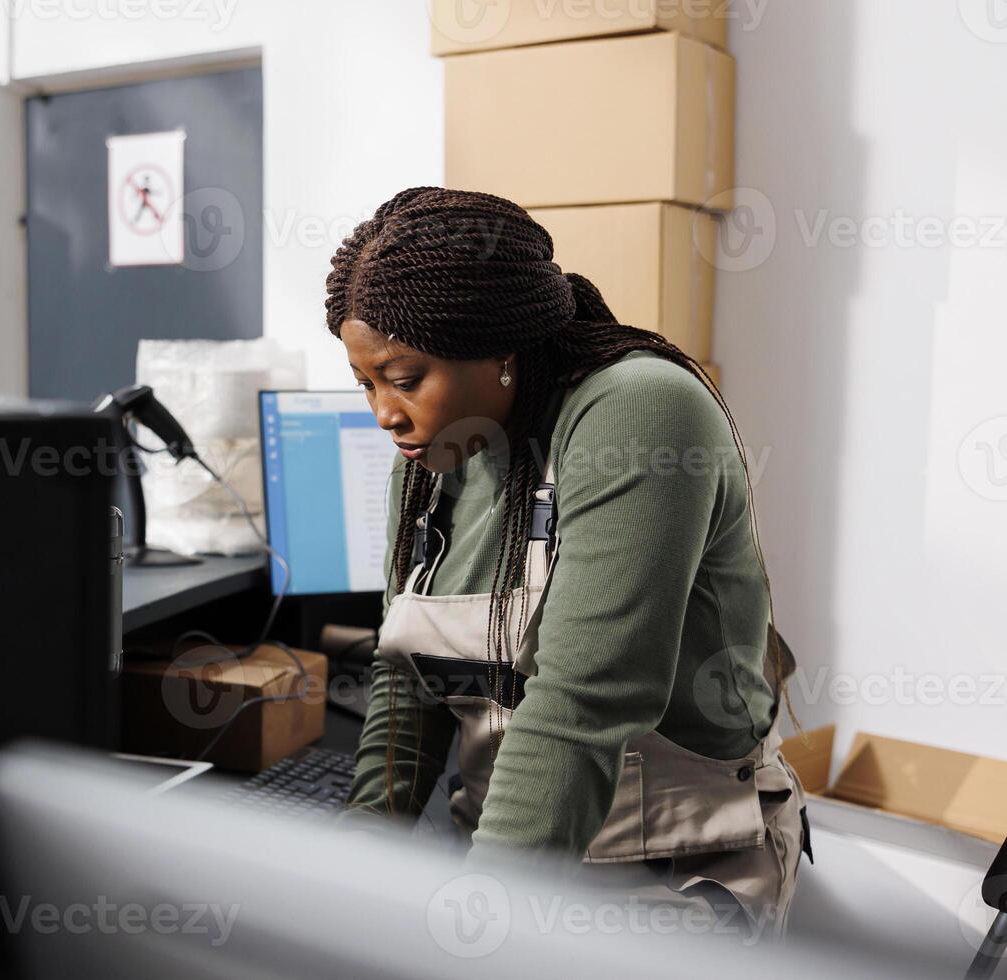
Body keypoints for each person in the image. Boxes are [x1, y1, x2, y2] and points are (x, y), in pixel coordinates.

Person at [328, 187, 810, 940]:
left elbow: (584, 702)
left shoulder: (637, 410)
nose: (383, 413)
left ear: (500, 348)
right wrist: (355, 859)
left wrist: (480, 918)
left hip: (672, 867)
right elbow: (404, 676)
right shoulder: (431, 460)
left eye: (405, 376)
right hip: (513, 855)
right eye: (366, 383)